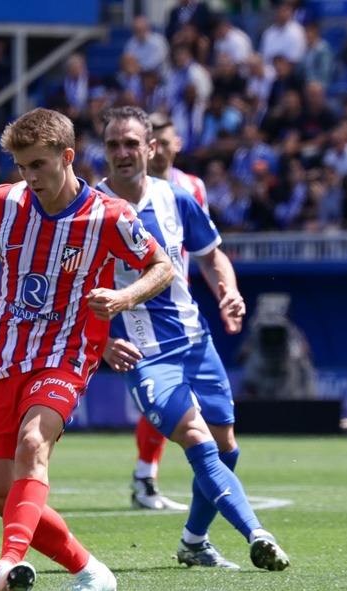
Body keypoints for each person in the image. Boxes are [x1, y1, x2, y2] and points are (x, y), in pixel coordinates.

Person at [0, 107, 175, 591]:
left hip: (66, 355)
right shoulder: (3, 203)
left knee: (32, 441)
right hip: (3, 356)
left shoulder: (108, 215)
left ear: (67, 157)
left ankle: (8, 564)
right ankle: (91, 571)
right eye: (22, 166)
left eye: (38, 164)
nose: (29, 176)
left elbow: (161, 265)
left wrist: (124, 298)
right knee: (2, 496)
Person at [96, 105, 291, 572]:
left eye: (130, 143)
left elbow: (211, 255)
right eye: (112, 145)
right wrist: (100, 340)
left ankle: (194, 541)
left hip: (195, 340)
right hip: (145, 352)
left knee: (227, 449)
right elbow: (70, 287)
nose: (122, 153)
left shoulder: (176, 197)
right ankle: (256, 533)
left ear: (151, 148)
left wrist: (230, 291)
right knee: (197, 439)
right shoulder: (91, 209)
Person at [118, 112, 211, 512]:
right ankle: (144, 476)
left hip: (180, 307)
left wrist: (223, 290)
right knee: (165, 397)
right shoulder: (118, 192)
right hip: (134, 309)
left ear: (171, 146)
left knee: (189, 404)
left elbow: (200, 244)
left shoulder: (190, 188)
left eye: (166, 140)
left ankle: (152, 477)